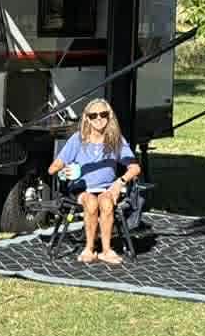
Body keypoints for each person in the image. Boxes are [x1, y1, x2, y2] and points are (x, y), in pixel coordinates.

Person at [47, 98, 142, 264]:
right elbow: (52, 168)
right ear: (86, 118)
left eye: (103, 114)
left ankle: (106, 250)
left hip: (106, 188)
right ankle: (89, 249)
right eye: (93, 115)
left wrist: (120, 182)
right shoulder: (78, 140)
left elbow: (135, 168)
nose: (99, 118)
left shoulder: (116, 140)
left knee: (106, 203)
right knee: (91, 203)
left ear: (109, 117)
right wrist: (63, 171)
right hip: (82, 189)